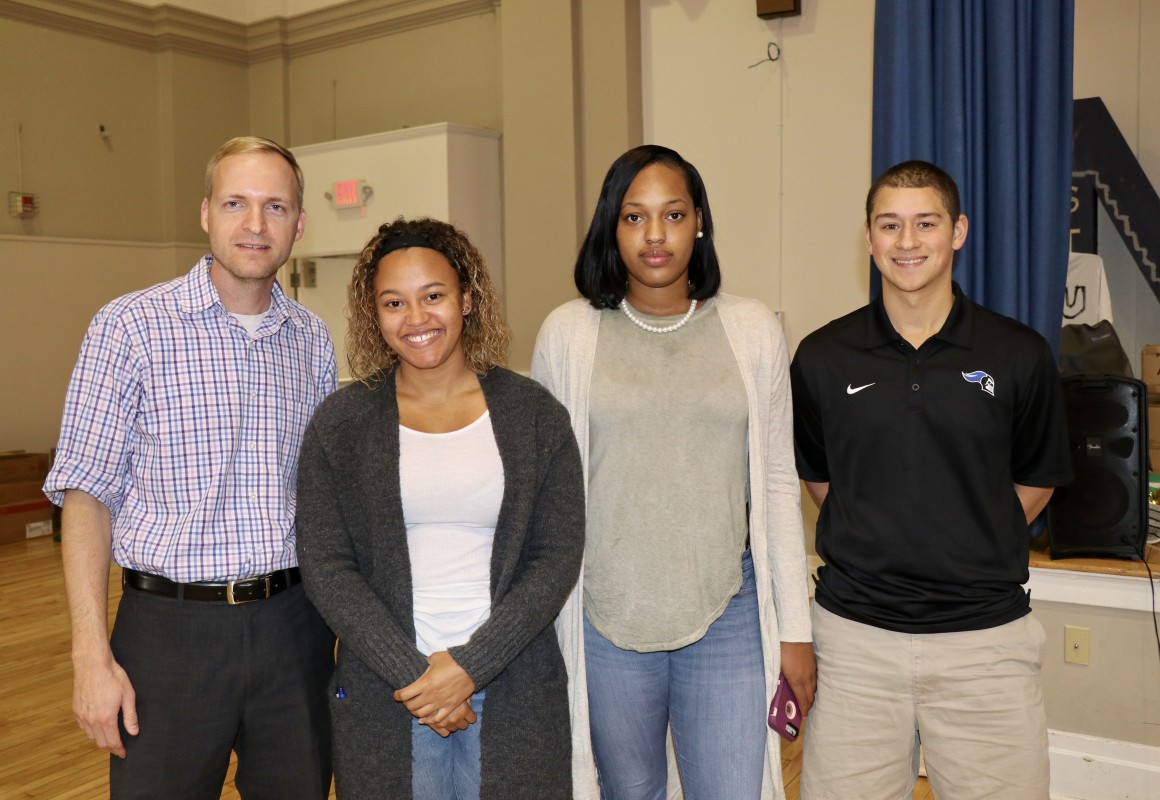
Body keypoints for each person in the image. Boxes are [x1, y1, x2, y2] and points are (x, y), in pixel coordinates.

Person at [43, 136, 337, 798]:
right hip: (169, 638)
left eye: (275, 206)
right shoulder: (130, 327)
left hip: (296, 628)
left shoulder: (313, 342)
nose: (255, 225)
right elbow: (85, 495)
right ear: (206, 212)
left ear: (299, 224)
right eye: (236, 203)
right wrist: (90, 656)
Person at [532, 144, 814, 800]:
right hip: (607, 618)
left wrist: (795, 632)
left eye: (673, 215)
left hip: (728, 612)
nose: (655, 236)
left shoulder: (752, 330)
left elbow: (776, 484)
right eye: (634, 217)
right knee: (628, 793)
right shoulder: (568, 334)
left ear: (700, 223)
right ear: (611, 227)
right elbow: (547, 492)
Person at [790, 160, 1074, 799]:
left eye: (926, 223)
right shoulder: (820, 358)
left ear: (959, 232)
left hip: (986, 647)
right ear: (868, 238)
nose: (908, 241)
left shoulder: (1019, 355)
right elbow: (823, 479)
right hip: (855, 646)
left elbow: (1036, 481)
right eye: (890, 225)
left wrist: (968, 532)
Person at [295, 217, 585, 799]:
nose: (417, 318)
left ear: (468, 298)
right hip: (389, 693)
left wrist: (472, 666)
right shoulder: (342, 423)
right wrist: (416, 677)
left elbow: (555, 556)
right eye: (394, 302)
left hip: (512, 686)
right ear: (374, 316)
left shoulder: (534, 415)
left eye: (434, 296)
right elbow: (327, 567)